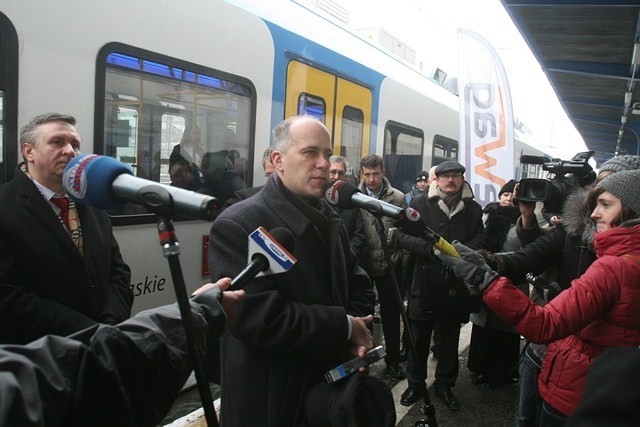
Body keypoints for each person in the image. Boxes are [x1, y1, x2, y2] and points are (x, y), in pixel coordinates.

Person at [437, 169, 640, 425]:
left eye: (606, 204)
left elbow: (545, 325)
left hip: (574, 385)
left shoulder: (614, 267)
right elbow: (529, 256)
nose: (595, 213)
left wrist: (484, 278)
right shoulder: (619, 256)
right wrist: (489, 262)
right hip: (590, 379)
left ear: (633, 211)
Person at [209, 115, 375, 427]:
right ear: (278, 160)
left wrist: (356, 331)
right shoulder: (239, 224)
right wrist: (344, 326)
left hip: (328, 395)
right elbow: (257, 318)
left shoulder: (331, 221)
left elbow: (360, 284)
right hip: (271, 403)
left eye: (327, 154)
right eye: (310, 152)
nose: (323, 163)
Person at [0, 278, 245, 427]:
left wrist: (108, 325)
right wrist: (197, 315)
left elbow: (118, 272)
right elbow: (85, 380)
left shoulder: (93, 210)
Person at [0, 113, 132, 345]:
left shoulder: (91, 203)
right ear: (28, 152)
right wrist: (90, 331)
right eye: (57, 142)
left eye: (75, 144)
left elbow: (118, 271)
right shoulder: (5, 206)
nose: (70, 151)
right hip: (38, 357)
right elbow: (8, 297)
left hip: (100, 350)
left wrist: (110, 323)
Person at [396, 160, 487, 411]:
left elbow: (481, 237)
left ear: (462, 179)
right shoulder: (419, 204)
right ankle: (415, 385)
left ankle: (445, 385)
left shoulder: (473, 209)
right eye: (445, 176)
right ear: (436, 179)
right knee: (418, 339)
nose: (450, 180)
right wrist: (428, 249)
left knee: (449, 338)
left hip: (456, 283)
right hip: (423, 282)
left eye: (456, 175)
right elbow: (402, 235)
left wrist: (461, 251)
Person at [467, 179, 523, 389]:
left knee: (506, 330)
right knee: (484, 327)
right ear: (499, 197)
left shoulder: (525, 220)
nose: (508, 199)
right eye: (505, 194)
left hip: (512, 278)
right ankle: (480, 369)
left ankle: (502, 372)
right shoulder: (488, 215)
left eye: (512, 195)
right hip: (486, 278)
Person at [358, 154, 407, 379]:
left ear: (383, 173)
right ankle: (363, 358)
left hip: (389, 265)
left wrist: (401, 260)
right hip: (364, 267)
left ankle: (393, 360)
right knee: (364, 315)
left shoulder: (397, 198)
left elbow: (405, 231)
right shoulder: (353, 197)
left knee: (391, 314)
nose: (371, 179)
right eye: (367, 174)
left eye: (375, 174)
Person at [329, 155, 366, 257]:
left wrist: (346, 255)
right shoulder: (316, 199)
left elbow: (358, 235)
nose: (336, 177)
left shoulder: (352, 201)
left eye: (341, 173)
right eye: (333, 172)